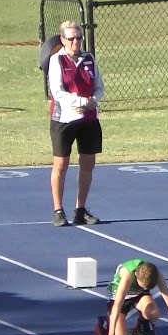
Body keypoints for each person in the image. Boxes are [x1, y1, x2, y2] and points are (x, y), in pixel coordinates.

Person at [47, 21, 103, 227]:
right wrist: (80, 102)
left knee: (88, 163)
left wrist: (92, 101)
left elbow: (99, 87)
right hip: (64, 119)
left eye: (79, 38)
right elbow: (58, 92)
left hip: (89, 119)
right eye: (71, 39)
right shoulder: (57, 60)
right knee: (61, 164)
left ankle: (80, 209)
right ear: (63, 40)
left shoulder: (88, 59)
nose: (75, 42)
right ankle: (58, 210)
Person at [98, 260, 168, 335]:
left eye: (147, 288)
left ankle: (142, 327)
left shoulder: (156, 275)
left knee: (153, 314)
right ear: (136, 275)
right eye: (143, 286)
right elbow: (117, 305)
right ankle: (105, 324)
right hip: (119, 297)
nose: (145, 288)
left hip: (138, 295)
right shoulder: (127, 275)